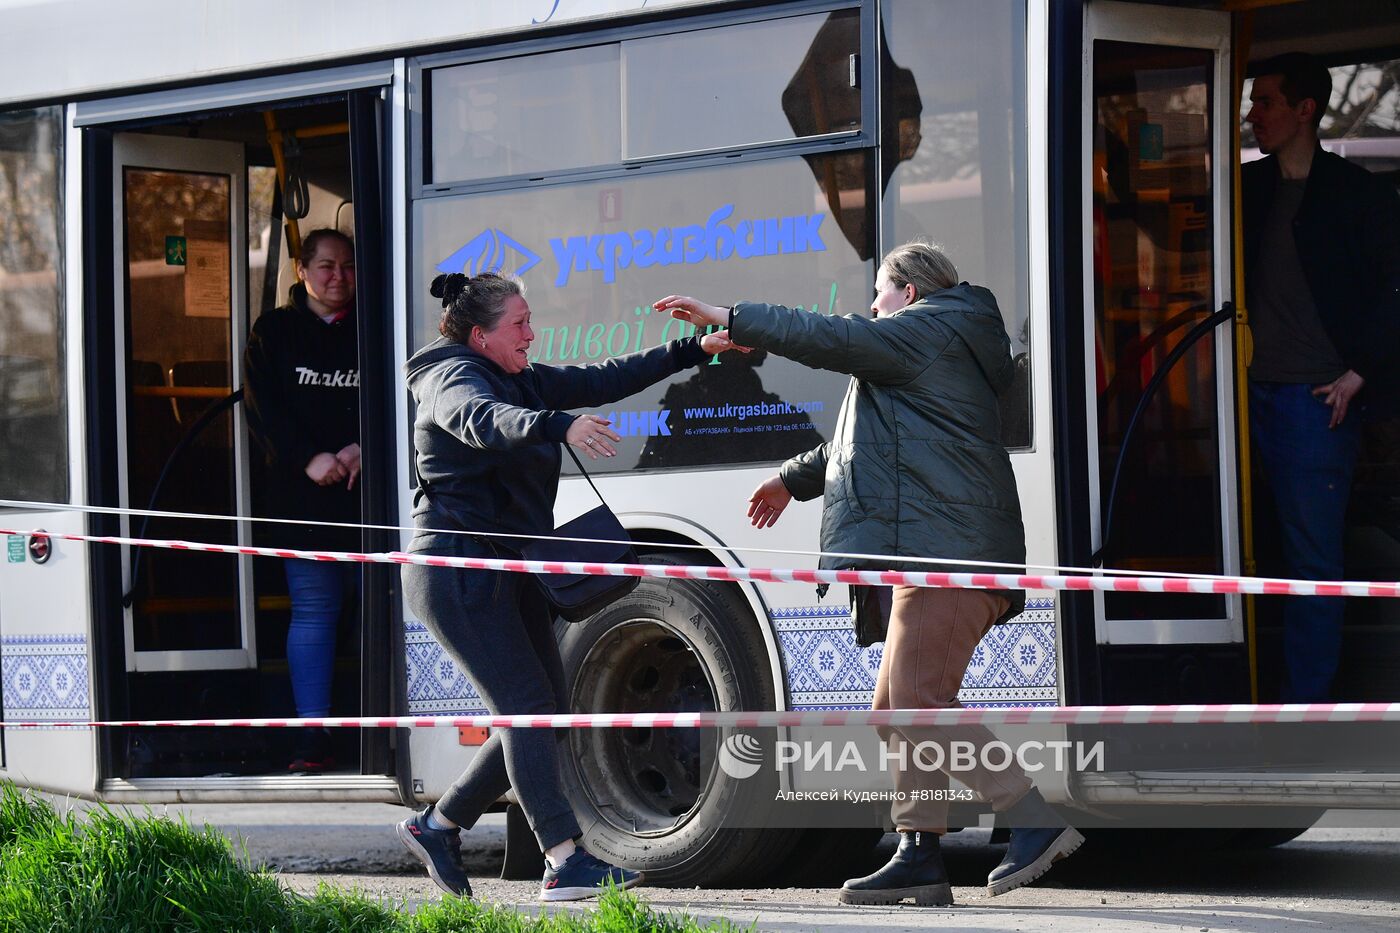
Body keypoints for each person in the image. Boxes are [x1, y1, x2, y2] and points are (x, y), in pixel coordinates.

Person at [654, 241, 1084, 907]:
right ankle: (918, 853)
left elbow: (828, 336)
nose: (870, 307)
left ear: (908, 294)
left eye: (878, 293)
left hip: (948, 554)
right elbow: (857, 444)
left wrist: (731, 316)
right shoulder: (939, 343)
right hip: (940, 549)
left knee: (915, 701)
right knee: (895, 712)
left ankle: (1030, 815)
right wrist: (791, 480)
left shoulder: (925, 330)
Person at [396, 271, 745, 901]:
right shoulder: (449, 377)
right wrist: (557, 426)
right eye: (519, 325)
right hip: (458, 573)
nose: (532, 333)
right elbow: (480, 420)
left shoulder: (519, 376)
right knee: (526, 709)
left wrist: (695, 350)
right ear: (479, 335)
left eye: (531, 320)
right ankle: (564, 859)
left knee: (545, 716)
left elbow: (603, 378)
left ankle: (438, 824)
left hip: (512, 570)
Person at [1243, 52, 1400, 702]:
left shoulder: (1357, 193)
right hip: (1244, 399)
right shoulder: (1245, 190)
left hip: (1315, 404)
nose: (1252, 116)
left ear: (1304, 110)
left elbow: (1395, 288)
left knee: (1312, 564)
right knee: (1251, 554)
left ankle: (1305, 710)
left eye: (1265, 103)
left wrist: (1358, 374)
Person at [243, 228, 361, 772]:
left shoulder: (374, 325)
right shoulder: (273, 332)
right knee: (315, 612)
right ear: (300, 271)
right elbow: (261, 409)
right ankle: (310, 740)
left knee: (380, 612)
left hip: (368, 501)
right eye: (325, 266)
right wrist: (308, 458)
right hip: (300, 501)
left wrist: (365, 449)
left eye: (347, 266)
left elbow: (402, 394)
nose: (338, 277)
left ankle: (377, 734)